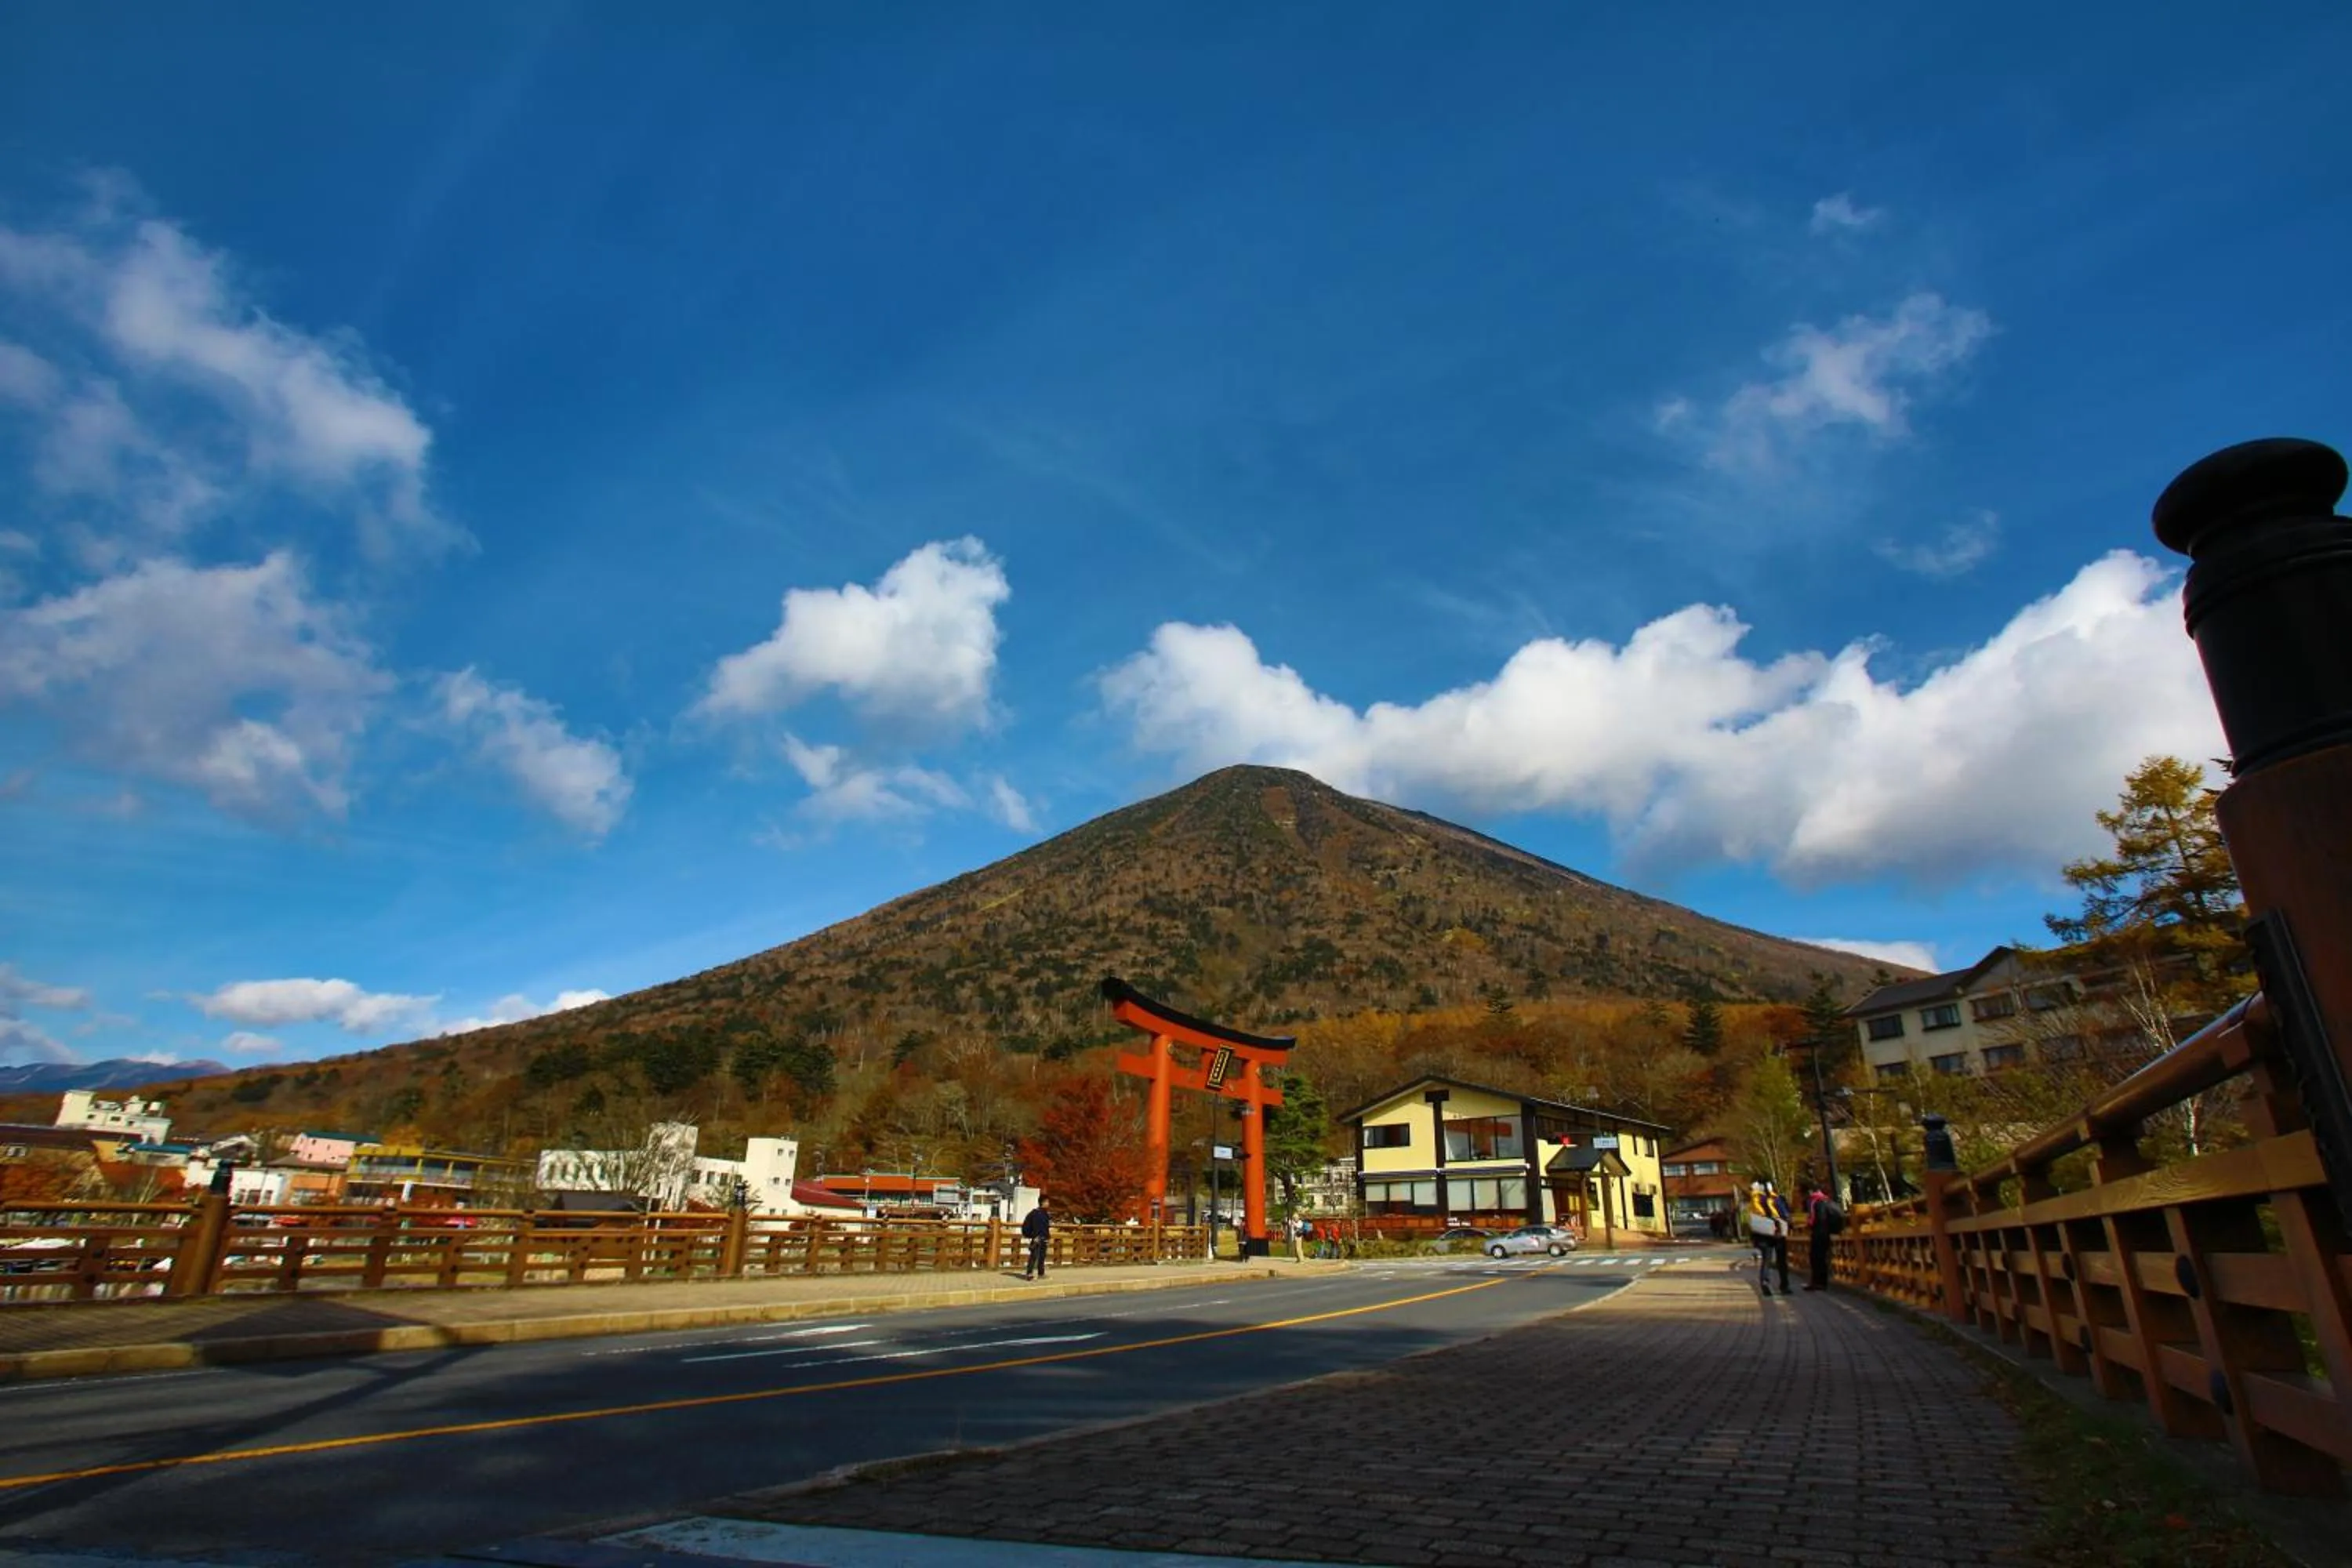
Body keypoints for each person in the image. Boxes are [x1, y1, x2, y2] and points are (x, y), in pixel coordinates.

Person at [1748, 1180, 1791, 1296]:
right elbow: (1785, 1215)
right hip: (1778, 1232)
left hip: (1763, 1233)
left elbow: (1751, 1219)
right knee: (1781, 1261)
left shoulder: (1754, 1200)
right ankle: (1784, 1286)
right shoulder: (1776, 1199)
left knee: (1766, 1260)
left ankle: (1765, 1282)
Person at [1805, 1181, 1842, 1292]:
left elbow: (1818, 1219)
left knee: (1816, 1258)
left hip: (1819, 1233)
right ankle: (1820, 1283)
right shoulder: (1827, 1200)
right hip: (1826, 1234)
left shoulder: (1816, 1202)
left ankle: (1818, 1283)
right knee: (1821, 1258)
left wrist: (1810, 1225)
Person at [1020, 1196, 1051, 1279]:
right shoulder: (1034, 1214)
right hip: (1036, 1238)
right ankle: (1029, 1273)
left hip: (1044, 1238)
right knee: (1033, 1256)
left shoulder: (1046, 1214)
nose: (1048, 1204)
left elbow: (1046, 1227)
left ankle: (1041, 1274)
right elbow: (1027, 1226)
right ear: (1043, 1203)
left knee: (1042, 1257)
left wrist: (1048, 1237)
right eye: (1047, 1202)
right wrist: (1032, 1236)